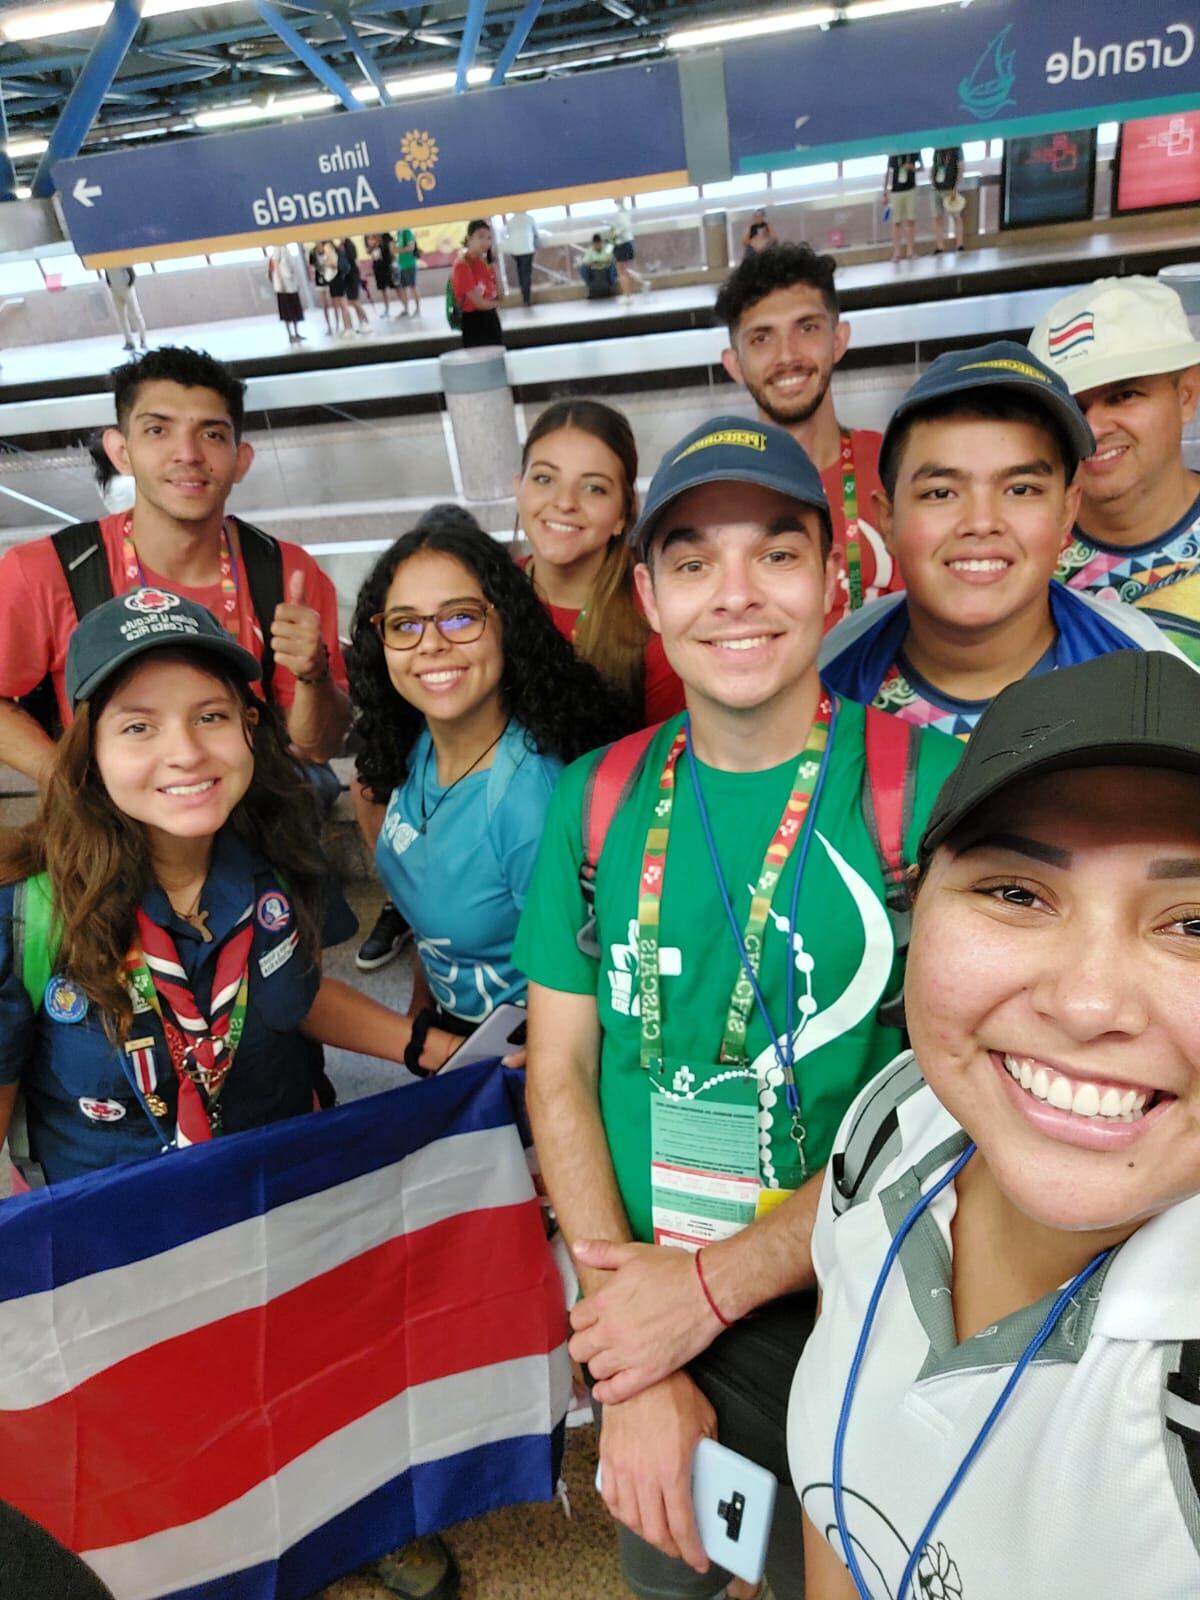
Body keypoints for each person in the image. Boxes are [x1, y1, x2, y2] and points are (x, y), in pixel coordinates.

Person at [513, 419, 963, 1600]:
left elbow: (963, 1099)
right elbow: (557, 1069)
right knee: (681, 1567)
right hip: (651, 1282)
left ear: (832, 577)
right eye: (694, 561)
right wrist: (636, 1354)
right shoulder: (597, 801)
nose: (736, 595)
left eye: (775, 552)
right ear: (650, 598)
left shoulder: (927, 793)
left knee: (866, 1567)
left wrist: (714, 1287)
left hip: (869, 1287)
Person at [790, 649, 1200, 1600]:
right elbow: (839, 1504)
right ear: (913, 918)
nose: (1089, 1002)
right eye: (1017, 893)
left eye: (1194, 925)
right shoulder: (892, 1126)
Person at [0, 592, 457, 1190]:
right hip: (118, 1247)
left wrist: (427, 1047)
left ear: (247, 726)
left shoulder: (281, 852)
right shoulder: (25, 913)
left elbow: (292, 989)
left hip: (286, 1199)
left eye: (210, 716)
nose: (186, 754)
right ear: (91, 751)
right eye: (139, 726)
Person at [349, 502, 630, 1056]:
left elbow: (584, 983)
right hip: (448, 1032)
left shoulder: (530, 800)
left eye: (460, 616)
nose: (431, 643)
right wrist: (421, 1012)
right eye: (405, 624)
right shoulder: (411, 745)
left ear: (507, 624)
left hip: (519, 1050)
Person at [0, 345, 351, 785]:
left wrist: (313, 674)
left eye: (212, 435)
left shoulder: (284, 571)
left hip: (249, 805)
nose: (188, 453)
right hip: (122, 819)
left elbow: (319, 746)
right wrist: (69, 785)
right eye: (157, 431)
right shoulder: (48, 571)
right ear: (120, 451)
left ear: (240, 460)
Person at [820, 341, 1187, 738]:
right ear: (888, 520)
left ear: (1067, 510)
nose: (981, 522)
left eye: (1021, 489)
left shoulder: (1148, 677)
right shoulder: (828, 676)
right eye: (941, 493)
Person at [716, 243, 902, 628]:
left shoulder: (900, 465)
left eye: (807, 328)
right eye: (761, 339)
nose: (787, 355)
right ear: (734, 364)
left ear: (838, 340)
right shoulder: (714, 493)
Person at [1028, 275, 1200, 663]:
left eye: (1123, 395)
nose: (1091, 429)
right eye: (1071, 407)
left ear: (1186, 396)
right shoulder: (1019, 561)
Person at [515, 398, 684, 725]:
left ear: (623, 513)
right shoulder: (484, 597)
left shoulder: (655, 626)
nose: (565, 503)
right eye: (544, 479)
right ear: (518, 487)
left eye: (594, 488)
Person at [451, 220, 502, 349]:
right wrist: (502, 303)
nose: (485, 242)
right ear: (469, 239)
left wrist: (496, 270)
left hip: (491, 318)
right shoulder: (462, 266)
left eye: (489, 238)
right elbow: (478, 303)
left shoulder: (485, 263)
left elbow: (497, 292)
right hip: (474, 322)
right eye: (480, 237)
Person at [883, 151, 921, 262]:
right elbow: (888, 173)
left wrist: (912, 167)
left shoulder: (914, 150)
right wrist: (885, 192)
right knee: (896, 222)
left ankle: (910, 251)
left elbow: (921, 168)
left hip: (911, 189)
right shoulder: (893, 152)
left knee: (911, 220)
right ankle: (896, 253)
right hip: (896, 191)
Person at [267, 244, 306, 345]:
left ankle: (296, 333)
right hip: (284, 286)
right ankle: (290, 334)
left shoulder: (285, 248)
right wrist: (281, 283)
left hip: (291, 285)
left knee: (294, 310)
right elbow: (276, 265)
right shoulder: (278, 248)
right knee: (286, 311)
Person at [103, 265, 148, 353]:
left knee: (136, 314)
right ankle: (129, 342)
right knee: (121, 317)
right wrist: (111, 286)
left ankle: (143, 340)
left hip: (127, 289)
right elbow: (107, 275)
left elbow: (132, 274)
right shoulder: (106, 260)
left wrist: (128, 285)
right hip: (115, 290)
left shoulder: (121, 258)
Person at [931, 144, 964, 253]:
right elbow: (933, 167)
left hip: (950, 188)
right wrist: (932, 183)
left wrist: (956, 187)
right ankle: (939, 246)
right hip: (937, 188)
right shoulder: (937, 150)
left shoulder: (957, 148)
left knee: (956, 216)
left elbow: (960, 168)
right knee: (937, 217)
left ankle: (959, 244)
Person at [503, 211, 538, 308]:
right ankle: (527, 300)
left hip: (515, 251)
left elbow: (507, 235)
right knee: (526, 274)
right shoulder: (529, 218)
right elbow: (536, 234)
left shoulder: (510, 221)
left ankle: (525, 298)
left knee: (521, 274)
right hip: (527, 249)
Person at [608, 202, 641, 304]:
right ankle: (628, 295)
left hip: (622, 245)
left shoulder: (621, 216)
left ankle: (627, 296)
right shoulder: (624, 214)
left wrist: (608, 249)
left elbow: (615, 234)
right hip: (626, 244)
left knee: (622, 272)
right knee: (624, 272)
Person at [339, 238, 371, 334]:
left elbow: (353, 260)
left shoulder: (349, 246)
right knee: (353, 301)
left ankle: (366, 321)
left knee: (355, 301)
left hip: (352, 277)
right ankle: (362, 322)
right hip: (349, 277)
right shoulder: (343, 246)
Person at [394, 225, 421, 318]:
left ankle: (417, 309)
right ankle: (406, 309)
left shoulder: (407, 231)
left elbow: (411, 247)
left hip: (409, 263)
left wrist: (398, 250)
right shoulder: (399, 233)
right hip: (401, 265)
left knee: (413, 286)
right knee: (404, 288)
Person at [308, 243, 335, 336]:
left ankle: (338, 324)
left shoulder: (327, 248)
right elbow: (311, 266)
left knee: (333, 302)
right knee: (324, 305)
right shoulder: (312, 252)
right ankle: (329, 327)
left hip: (329, 278)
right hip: (319, 280)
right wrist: (316, 268)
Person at [581, 232, 618, 299]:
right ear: (593, 244)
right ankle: (589, 286)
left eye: (598, 244)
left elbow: (612, 260)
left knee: (614, 266)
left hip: (606, 270)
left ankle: (611, 286)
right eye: (595, 244)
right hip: (594, 271)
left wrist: (604, 262)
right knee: (583, 268)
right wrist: (593, 263)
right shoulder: (590, 251)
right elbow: (585, 263)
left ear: (601, 243)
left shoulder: (607, 249)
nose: (597, 246)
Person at [367, 232, 395, 316]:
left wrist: (393, 261)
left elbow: (392, 250)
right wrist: (373, 245)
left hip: (388, 265)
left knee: (396, 286)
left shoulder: (386, 236)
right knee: (383, 288)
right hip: (378, 266)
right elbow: (369, 251)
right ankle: (387, 309)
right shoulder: (370, 236)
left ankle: (405, 307)